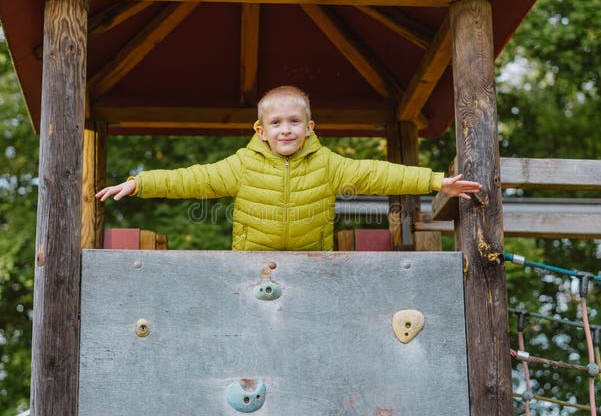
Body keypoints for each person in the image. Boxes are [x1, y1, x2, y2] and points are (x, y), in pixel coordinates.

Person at [96, 85, 481, 251]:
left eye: (294, 122)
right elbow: (193, 178)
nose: (286, 129)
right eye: (276, 123)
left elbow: (376, 172)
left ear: (309, 127)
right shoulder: (242, 165)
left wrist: (434, 181)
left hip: (313, 262)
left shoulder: (327, 164)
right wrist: (140, 182)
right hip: (253, 264)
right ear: (261, 131)